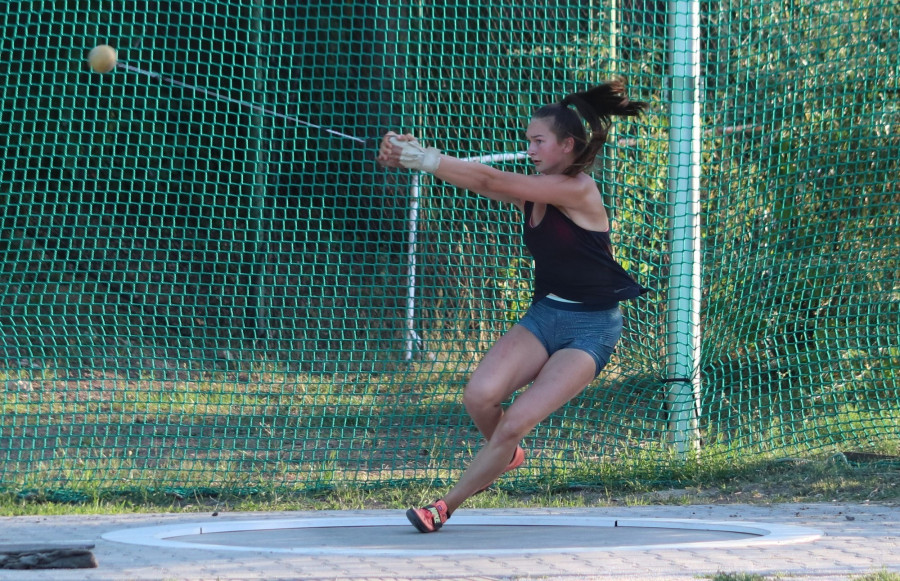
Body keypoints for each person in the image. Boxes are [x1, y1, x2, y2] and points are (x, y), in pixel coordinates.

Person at [376, 78, 649, 533]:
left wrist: (424, 159)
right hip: (546, 316)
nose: (530, 149)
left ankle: (443, 507)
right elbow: (483, 182)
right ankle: (508, 455)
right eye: (527, 142)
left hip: (592, 328)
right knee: (480, 398)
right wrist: (420, 156)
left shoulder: (578, 189)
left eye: (538, 141)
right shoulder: (533, 188)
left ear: (567, 145)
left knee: (513, 422)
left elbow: (488, 176)